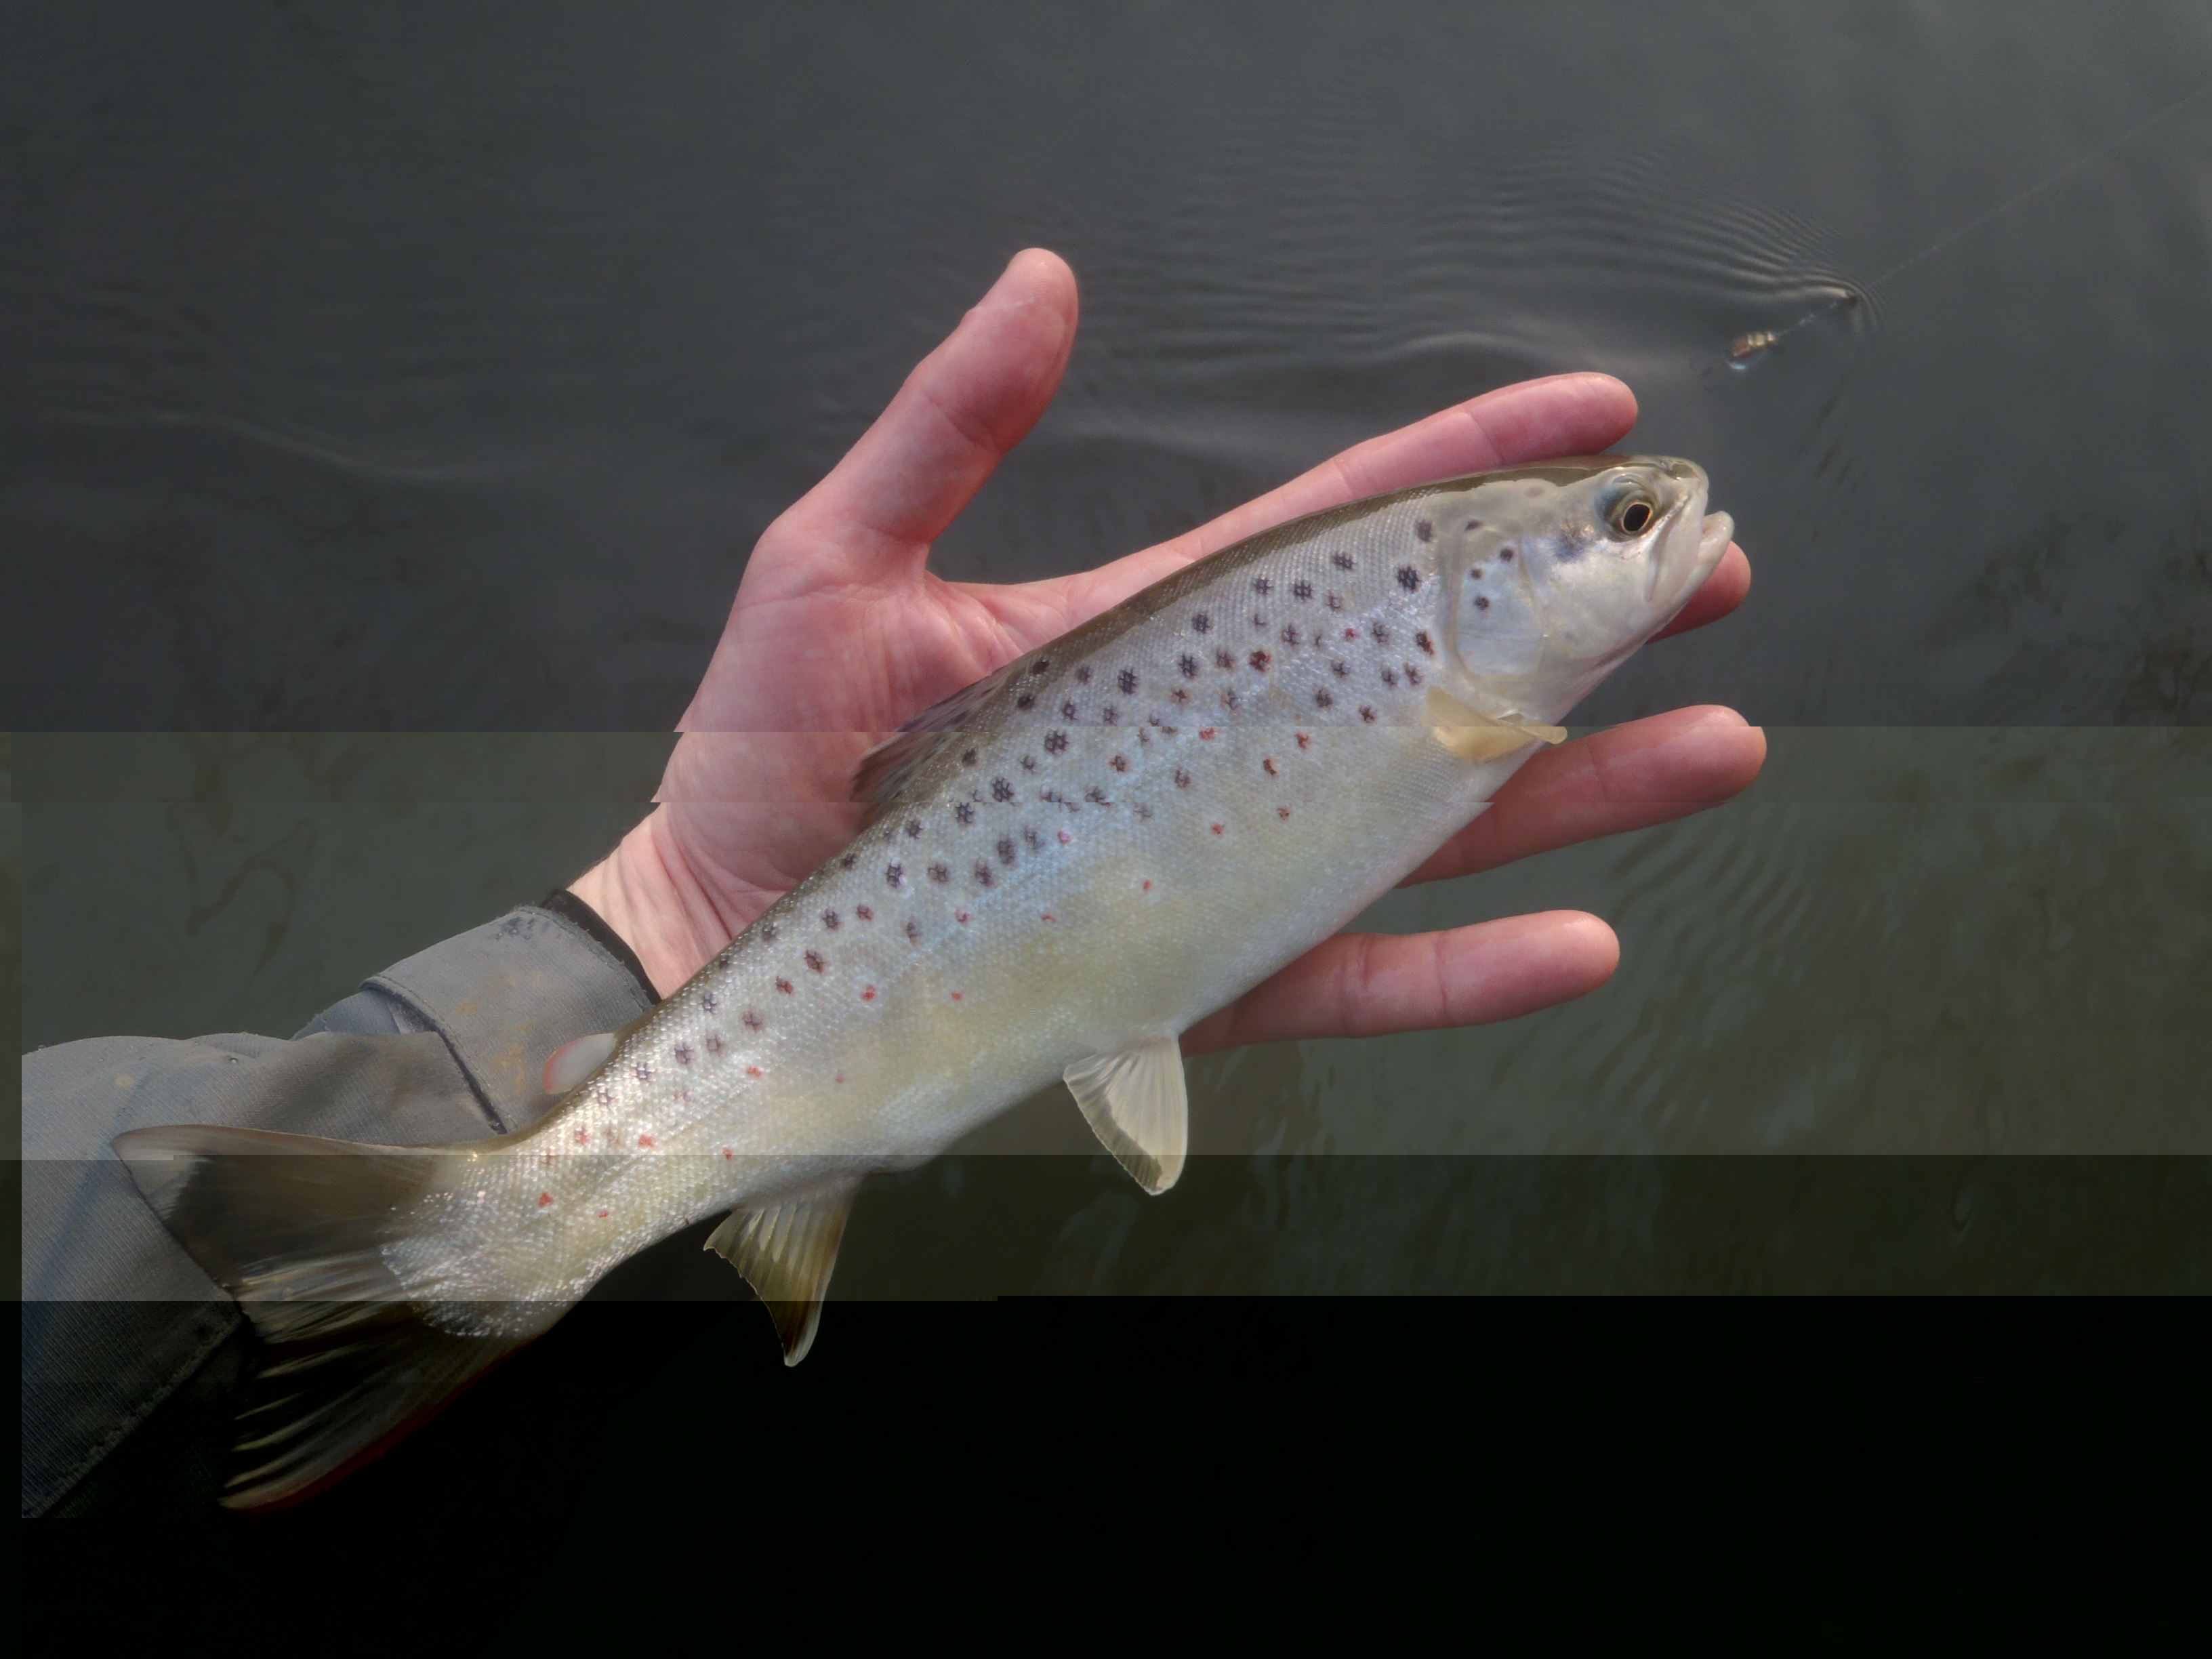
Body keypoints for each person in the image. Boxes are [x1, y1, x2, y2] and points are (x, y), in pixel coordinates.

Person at [19, 250, 1762, 1515]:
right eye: (1623, 525)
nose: (1664, 520)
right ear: (1470, 589)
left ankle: (468, 1234)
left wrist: (651, 929)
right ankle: (500, 1226)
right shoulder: (1436, 681)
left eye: (1627, 520)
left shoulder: (1455, 693)